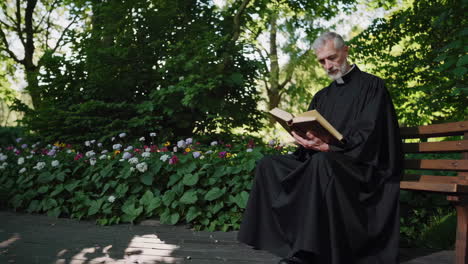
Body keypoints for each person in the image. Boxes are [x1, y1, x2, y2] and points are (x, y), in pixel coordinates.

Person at [237, 32, 403, 264]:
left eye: (332, 58)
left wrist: (330, 148)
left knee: (321, 162)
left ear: (346, 50)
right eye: (322, 61)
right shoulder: (322, 96)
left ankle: (308, 252)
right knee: (269, 164)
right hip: (323, 161)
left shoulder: (372, 86)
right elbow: (313, 133)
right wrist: (305, 140)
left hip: (361, 167)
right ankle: (279, 240)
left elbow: (372, 135)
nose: (328, 65)